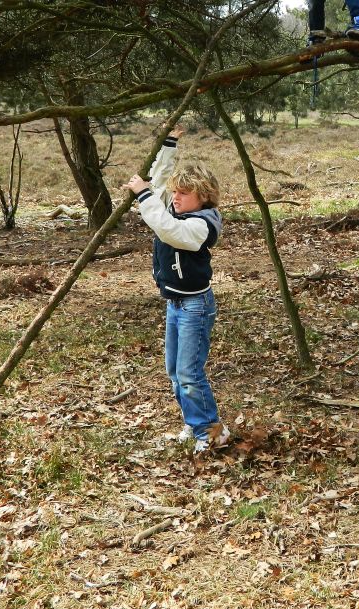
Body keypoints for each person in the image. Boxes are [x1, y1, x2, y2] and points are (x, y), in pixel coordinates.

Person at [121, 127, 229, 453]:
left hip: (196, 306)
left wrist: (143, 196)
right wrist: (169, 143)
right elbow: (158, 178)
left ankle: (212, 435)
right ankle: (193, 424)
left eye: (184, 194)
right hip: (175, 304)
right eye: (175, 193)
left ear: (203, 196)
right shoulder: (177, 208)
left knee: (189, 373)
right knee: (174, 371)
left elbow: (167, 231)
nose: (176, 198)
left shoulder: (201, 224)